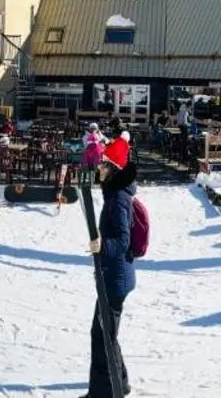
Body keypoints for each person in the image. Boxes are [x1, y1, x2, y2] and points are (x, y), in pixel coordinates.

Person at [85, 147, 138, 398]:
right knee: (107, 332)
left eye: (103, 164)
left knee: (101, 335)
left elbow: (123, 241)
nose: (99, 168)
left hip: (116, 278)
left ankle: (103, 391)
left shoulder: (118, 200)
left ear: (114, 169)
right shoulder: (115, 195)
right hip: (115, 274)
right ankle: (122, 381)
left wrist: (102, 245)